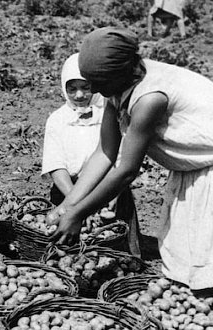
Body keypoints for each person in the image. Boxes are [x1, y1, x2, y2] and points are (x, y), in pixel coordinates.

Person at [50, 27, 213, 302]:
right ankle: (200, 312)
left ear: (118, 73)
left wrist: (78, 214)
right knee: (186, 250)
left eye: (97, 82)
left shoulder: (149, 98)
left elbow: (126, 171)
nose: (93, 90)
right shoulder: (116, 86)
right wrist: (68, 205)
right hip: (193, 165)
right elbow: (105, 152)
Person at [42, 53, 141, 256]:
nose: (79, 95)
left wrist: (112, 190)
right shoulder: (57, 119)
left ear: (95, 86)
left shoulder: (110, 112)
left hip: (110, 186)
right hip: (68, 189)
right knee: (70, 247)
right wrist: (77, 204)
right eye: (72, 89)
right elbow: (56, 166)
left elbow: (121, 155)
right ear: (64, 88)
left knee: (116, 244)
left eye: (85, 88)